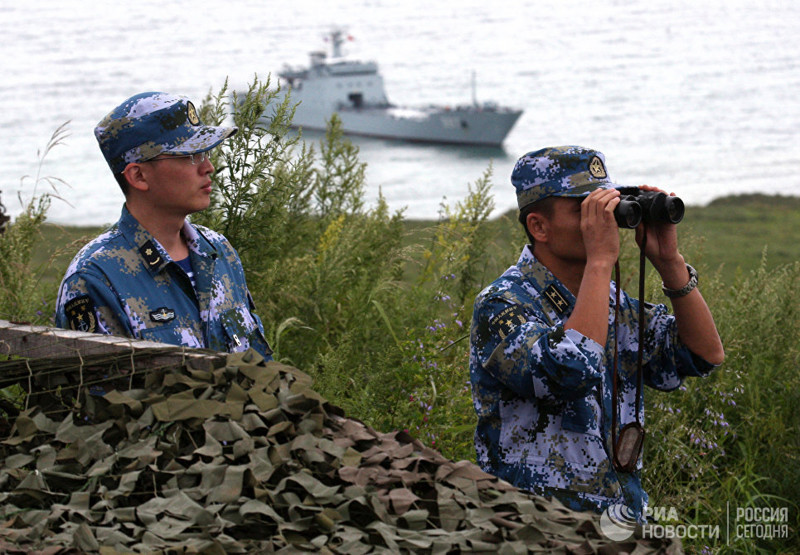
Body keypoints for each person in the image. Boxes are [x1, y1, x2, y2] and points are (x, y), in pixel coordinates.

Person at [469, 146, 724, 520]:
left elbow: (701, 354)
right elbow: (569, 373)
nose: (602, 221)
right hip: (536, 524)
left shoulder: (610, 301)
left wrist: (669, 262)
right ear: (539, 226)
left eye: (608, 206)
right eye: (586, 210)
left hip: (619, 516)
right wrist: (602, 260)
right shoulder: (502, 304)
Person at [55, 92, 272, 360]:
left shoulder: (219, 252)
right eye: (190, 157)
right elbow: (104, 396)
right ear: (138, 176)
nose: (208, 167)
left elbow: (260, 367)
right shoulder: (96, 277)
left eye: (205, 153)